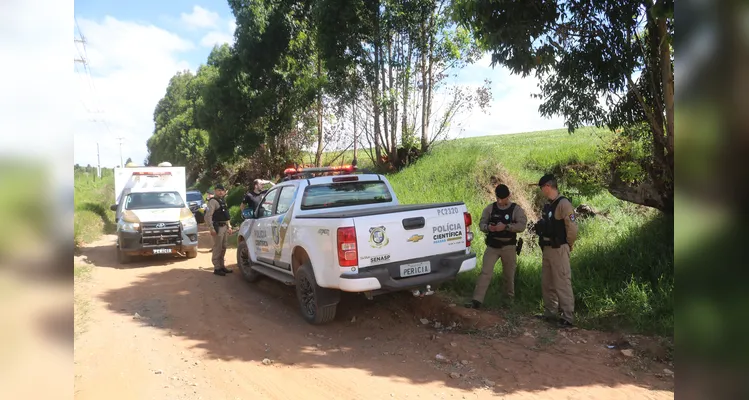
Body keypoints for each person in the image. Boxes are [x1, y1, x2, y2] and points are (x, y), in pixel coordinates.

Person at [466, 184, 527, 309]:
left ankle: (508, 301)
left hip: (509, 246)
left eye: (502, 198)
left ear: (508, 196)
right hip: (493, 246)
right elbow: (482, 224)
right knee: (485, 273)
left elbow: (522, 225)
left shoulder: (516, 209)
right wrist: (489, 228)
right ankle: (477, 300)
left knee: (508, 275)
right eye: (498, 198)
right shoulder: (490, 209)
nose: (500, 201)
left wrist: (506, 226)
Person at [534, 174, 578, 327]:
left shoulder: (563, 204)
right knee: (547, 283)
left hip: (559, 248)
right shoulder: (549, 205)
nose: (542, 191)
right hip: (547, 248)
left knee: (562, 282)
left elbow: (572, 228)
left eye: (542, 188)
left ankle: (567, 317)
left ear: (547, 186)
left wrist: (568, 245)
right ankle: (550, 313)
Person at [204, 184, 234, 276]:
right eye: (218, 190)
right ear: (215, 191)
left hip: (224, 226)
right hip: (217, 228)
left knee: (223, 247)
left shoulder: (223, 201)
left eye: (222, 190)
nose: (221, 192)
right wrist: (211, 228)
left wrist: (229, 226)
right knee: (217, 248)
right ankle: (217, 268)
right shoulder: (213, 201)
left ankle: (222, 266)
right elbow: (208, 216)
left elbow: (226, 216)